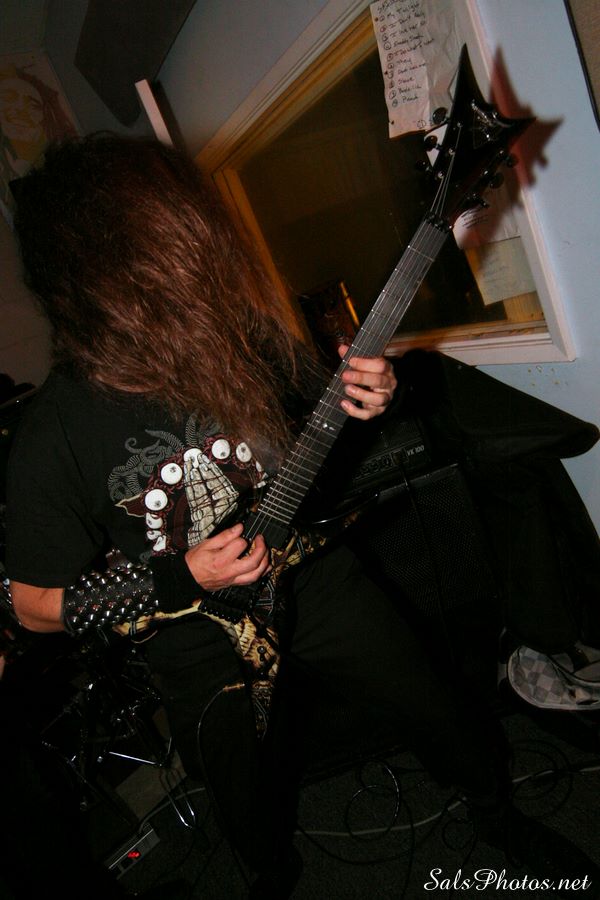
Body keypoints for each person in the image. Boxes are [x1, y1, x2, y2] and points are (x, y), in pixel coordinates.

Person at [5, 134, 599, 899]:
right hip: (194, 635)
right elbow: (32, 605)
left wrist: (375, 395)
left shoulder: (235, 339)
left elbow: (325, 412)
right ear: (97, 282)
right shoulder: (55, 431)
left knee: (435, 704)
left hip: (313, 578)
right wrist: (179, 576)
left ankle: (496, 815)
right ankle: (272, 876)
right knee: (242, 794)